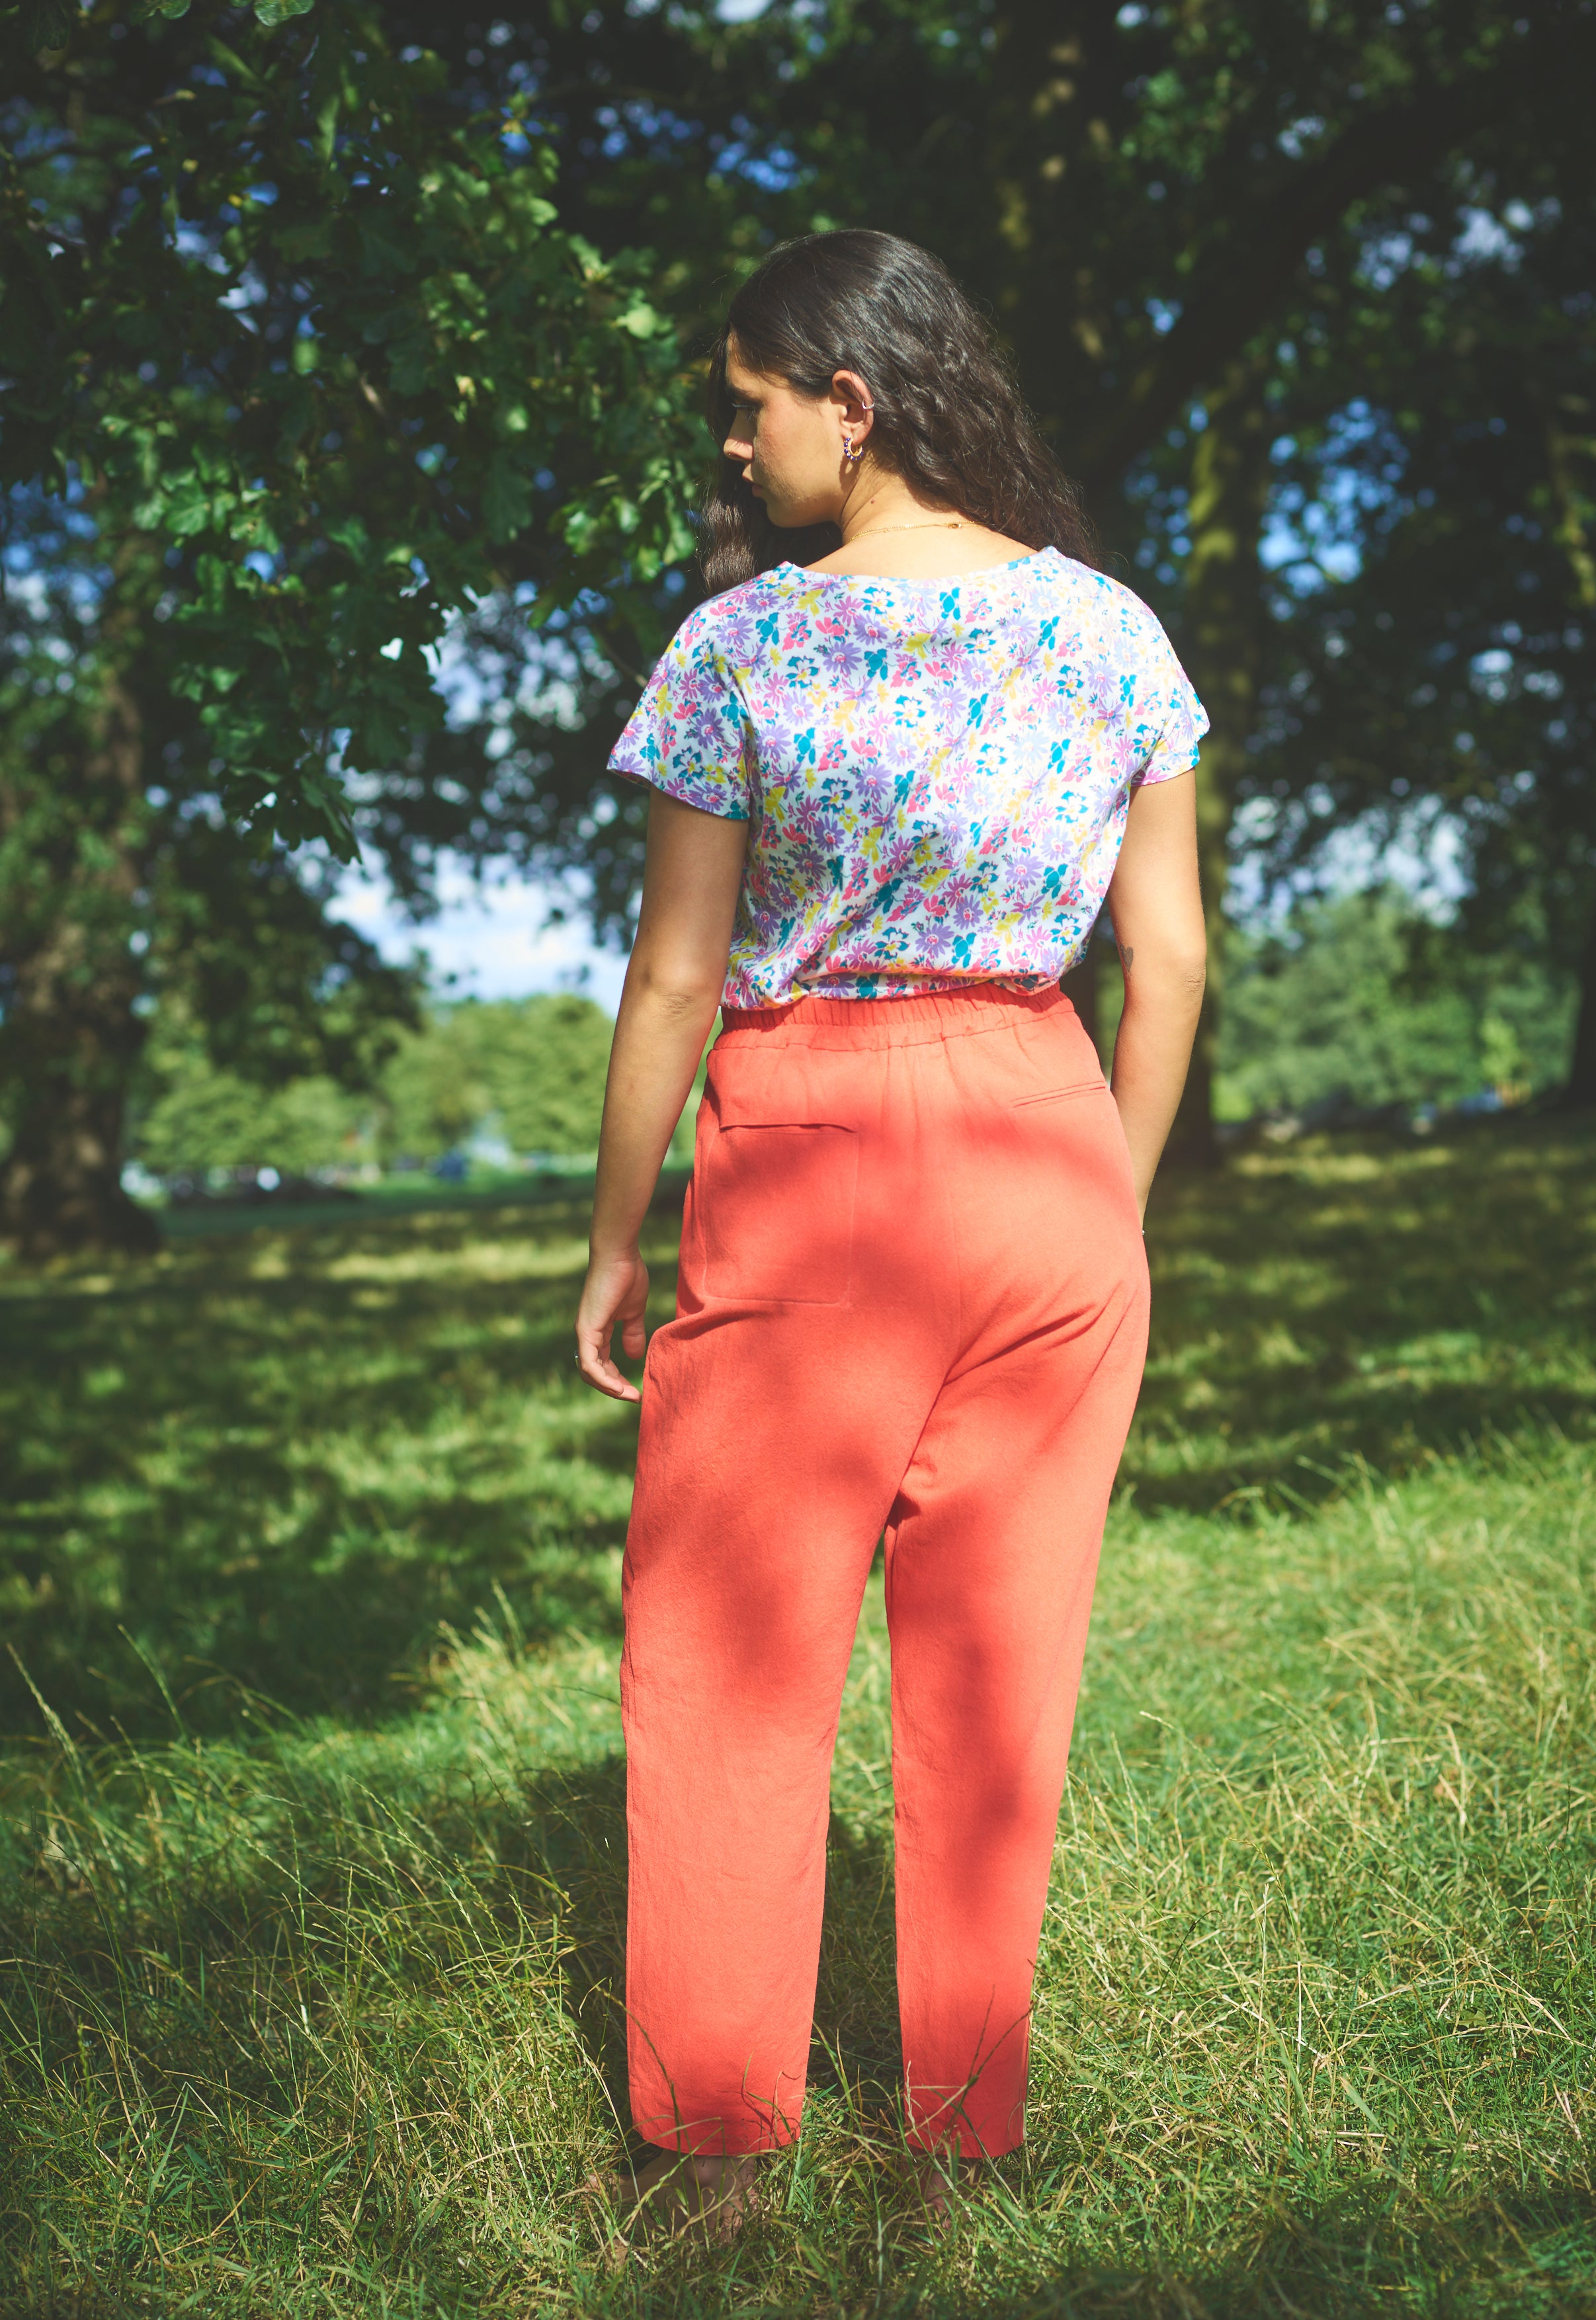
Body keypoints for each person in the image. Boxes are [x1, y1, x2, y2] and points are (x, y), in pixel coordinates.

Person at [573, 228, 1208, 2236]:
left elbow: (677, 977)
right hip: (1049, 1141)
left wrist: (612, 1235)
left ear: (849, 408)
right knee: (1001, 1661)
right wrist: (1102, 1186)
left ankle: (715, 2145)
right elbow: (1169, 956)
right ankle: (957, 2134)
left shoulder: (744, 647)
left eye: (750, 405)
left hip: (821, 1141)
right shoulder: (1116, 632)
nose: (735, 446)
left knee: (733, 1648)